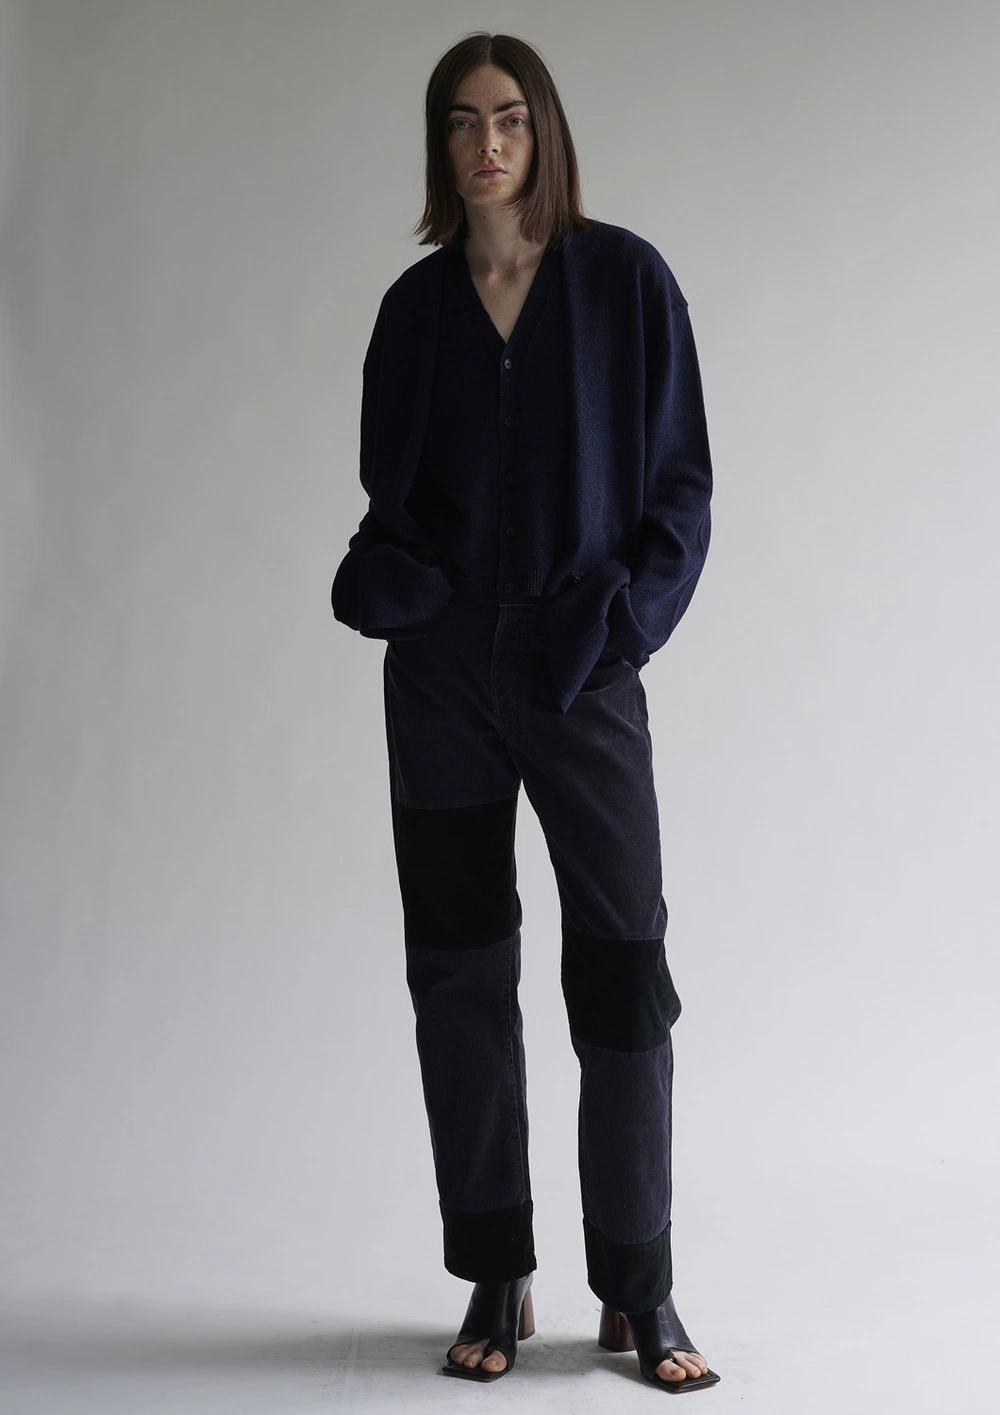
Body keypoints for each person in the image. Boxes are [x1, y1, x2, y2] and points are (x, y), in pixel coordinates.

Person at [331, 31, 720, 1393]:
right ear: (439, 146)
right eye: (461, 121)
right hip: (442, 681)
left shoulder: (625, 284)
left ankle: (640, 1286)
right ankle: (496, 1268)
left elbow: (680, 491)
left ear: (544, 130)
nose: (487, 144)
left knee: (622, 971)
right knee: (458, 970)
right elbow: (388, 496)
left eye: (508, 117)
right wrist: (407, 599)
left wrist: (618, 629)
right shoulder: (416, 310)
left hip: (581, 670)